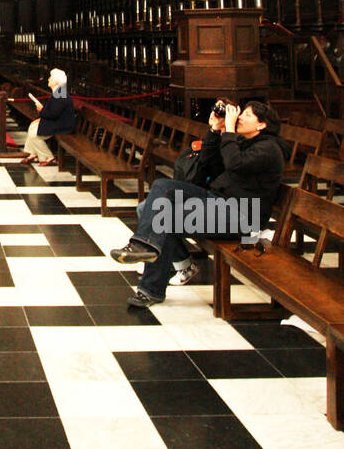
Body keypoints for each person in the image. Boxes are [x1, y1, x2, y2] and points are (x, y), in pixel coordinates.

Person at [111, 99, 288, 307]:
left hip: (241, 217)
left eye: (247, 115)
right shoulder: (242, 142)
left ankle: (151, 289)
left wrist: (229, 130)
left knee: (163, 217)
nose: (240, 117)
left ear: (262, 125)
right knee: (160, 188)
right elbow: (209, 165)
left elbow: (234, 164)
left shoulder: (269, 149)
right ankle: (145, 248)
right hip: (218, 201)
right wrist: (215, 130)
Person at [19, 67, 76, 165]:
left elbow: (53, 114)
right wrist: (41, 115)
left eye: (51, 78)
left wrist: (41, 110)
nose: (48, 79)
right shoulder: (58, 93)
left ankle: (48, 156)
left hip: (63, 125)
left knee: (35, 135)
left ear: (56, 82)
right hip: (58, 121)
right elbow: (52, 111)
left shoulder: (60, 94)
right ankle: (33, 153)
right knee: (33, 126)